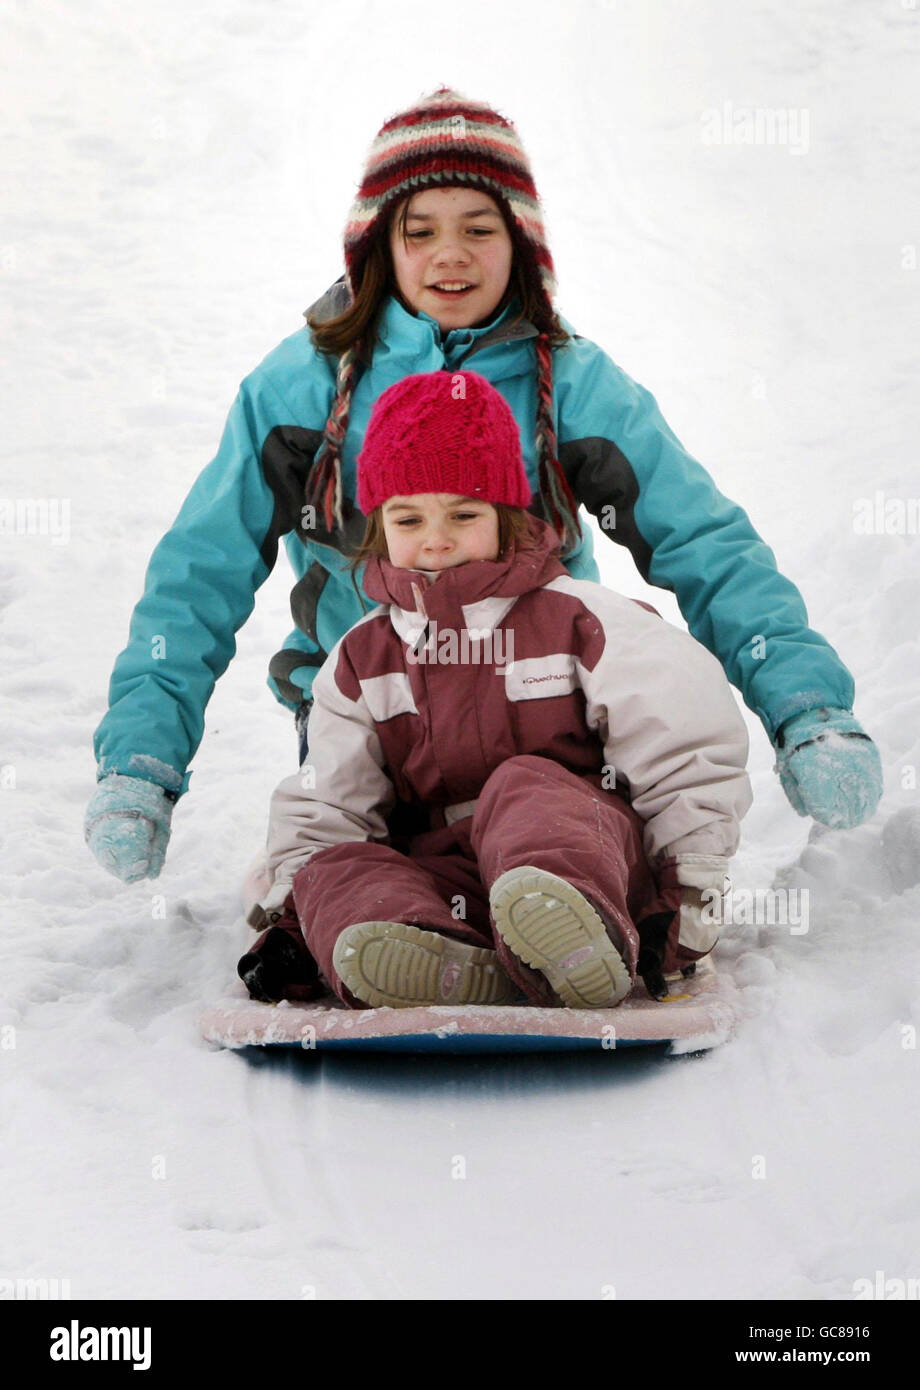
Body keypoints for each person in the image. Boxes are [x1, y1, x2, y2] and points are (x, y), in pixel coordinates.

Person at [85, 85, 881, 906]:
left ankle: (565, 901)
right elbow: (198, 575)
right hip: (371, 731)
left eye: (479, 228)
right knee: (349, 875)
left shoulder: (571, 385)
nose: (449, 255)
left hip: (546, 727)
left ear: (521, 243)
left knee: (541, 826)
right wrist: (142, 763)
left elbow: (705, 545)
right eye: (419, 231)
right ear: (377, 250)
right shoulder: (301, 393)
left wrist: (808, 710)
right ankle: (379, 930)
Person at [241, 369, 753, 1011]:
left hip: (590, 858)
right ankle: (424, 953)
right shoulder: (363, 657)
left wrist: (690, 886)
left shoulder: (580, 620)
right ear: (377, 528)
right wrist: (296, 911)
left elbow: (682, 746)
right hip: (447, 880)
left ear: (508, 514)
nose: (435, 539)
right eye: (407, 518)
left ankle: (573, 935)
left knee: (524, 786)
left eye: (463, 513)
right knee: (338, 866)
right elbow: (330, 803)